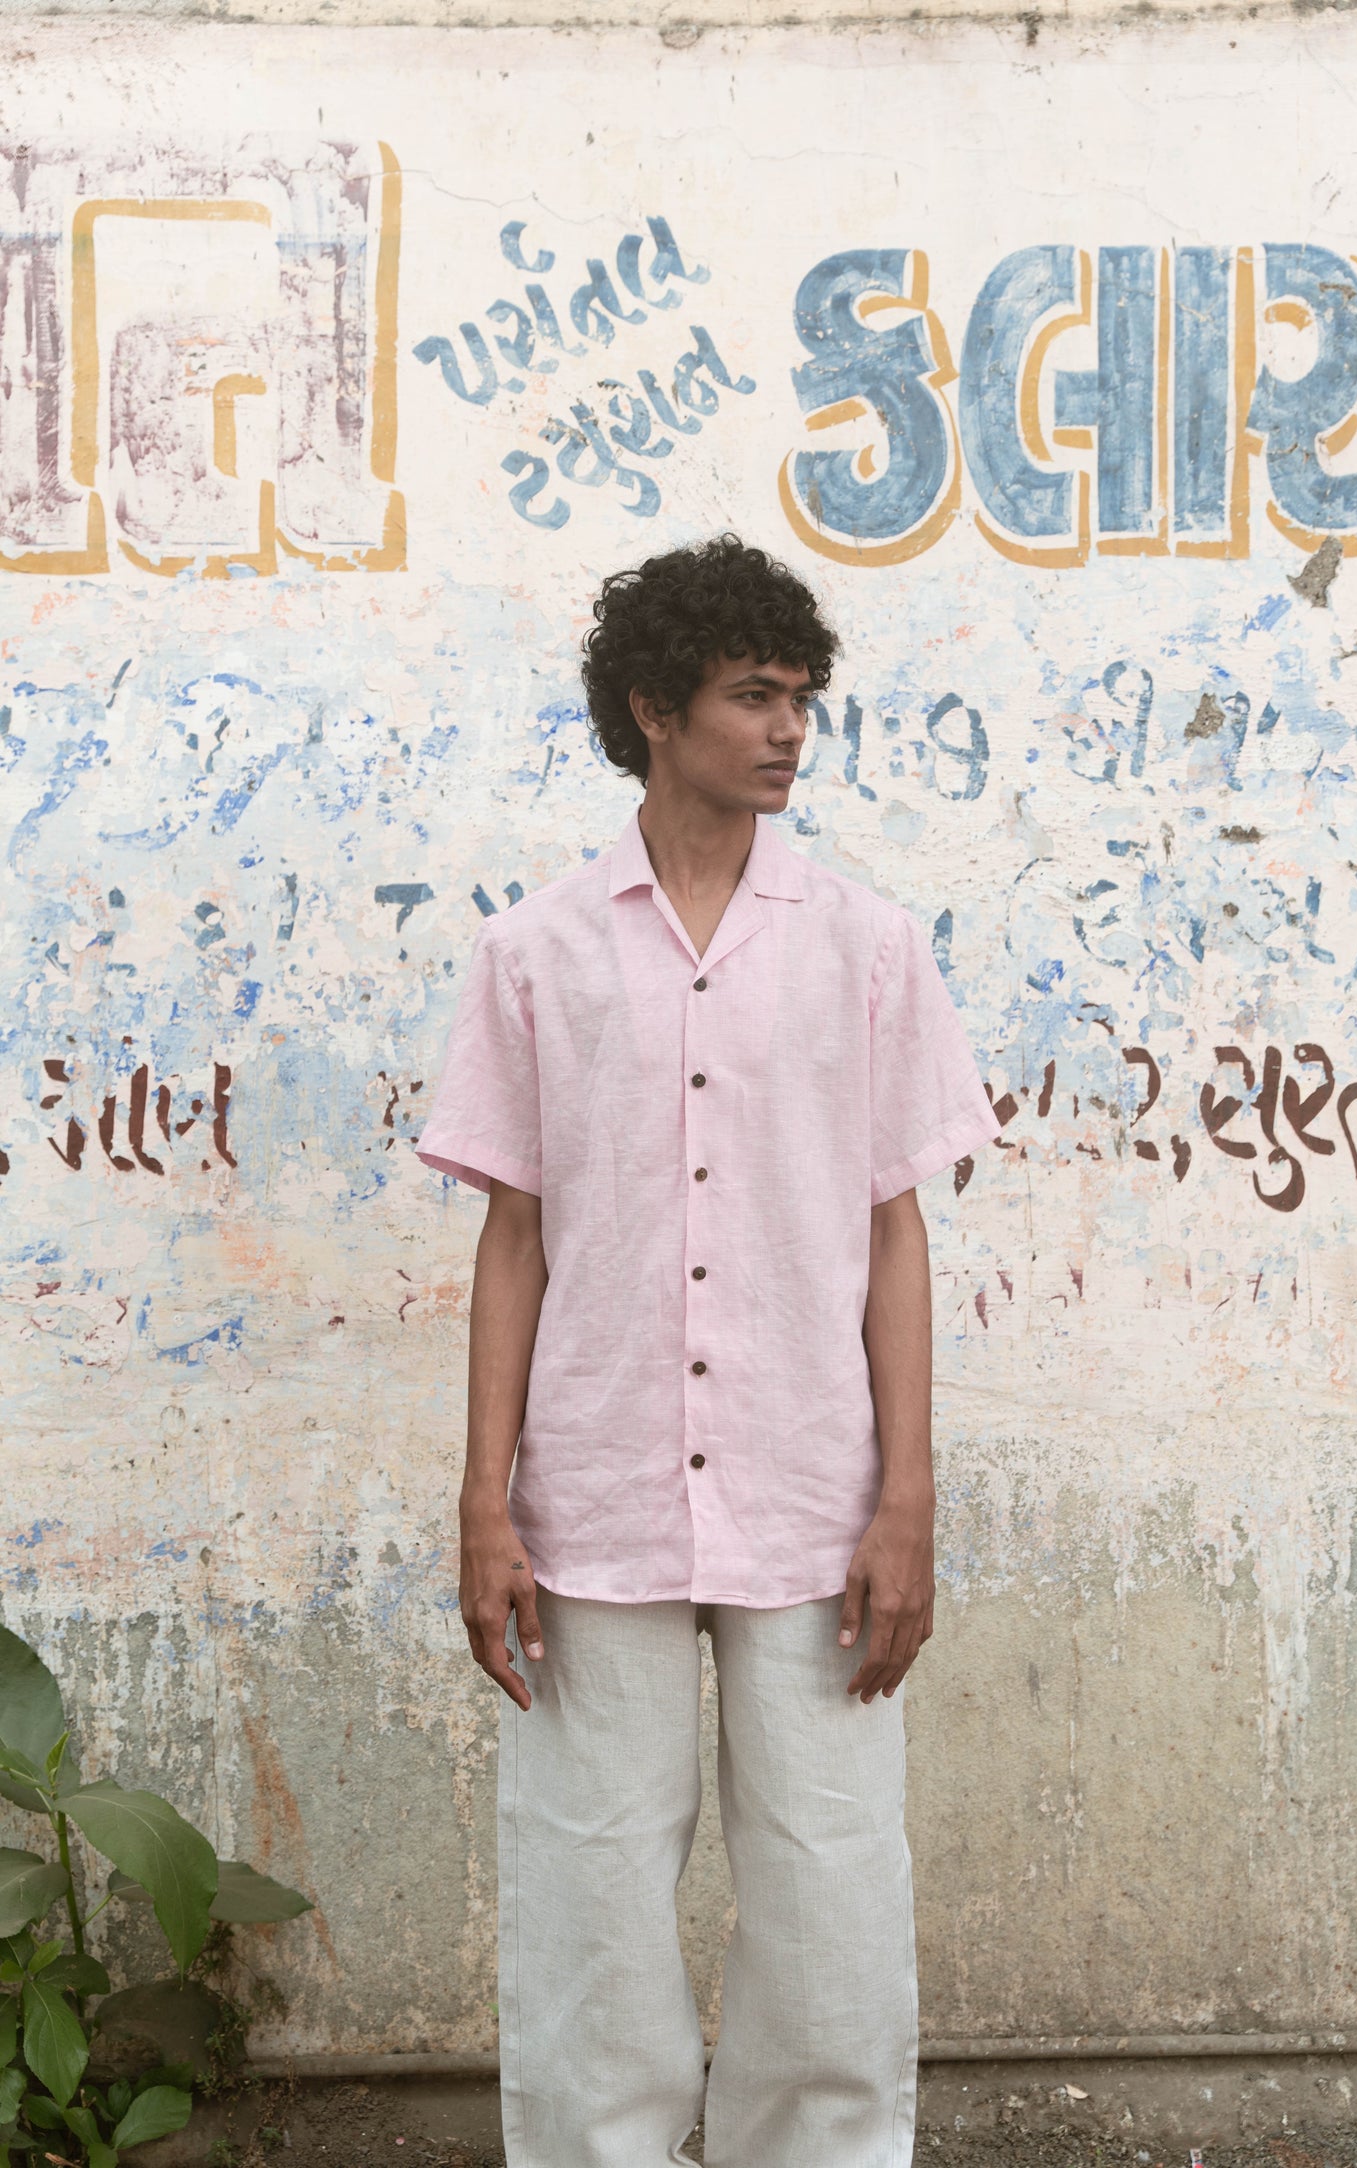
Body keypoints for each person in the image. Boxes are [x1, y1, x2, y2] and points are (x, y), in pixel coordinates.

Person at [415, 534, 999, 2168]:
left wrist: (907, 1502)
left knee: (828, 1889)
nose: (787, 730)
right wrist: (485, 1504)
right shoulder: (533, 954)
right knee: (590, 1894)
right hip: (591, 1491)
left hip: (814, 1488)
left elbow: (893, 1231)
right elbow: (511, 1238)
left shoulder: (865, 948)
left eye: (800, 698)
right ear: (651, 709)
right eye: (752, 697)